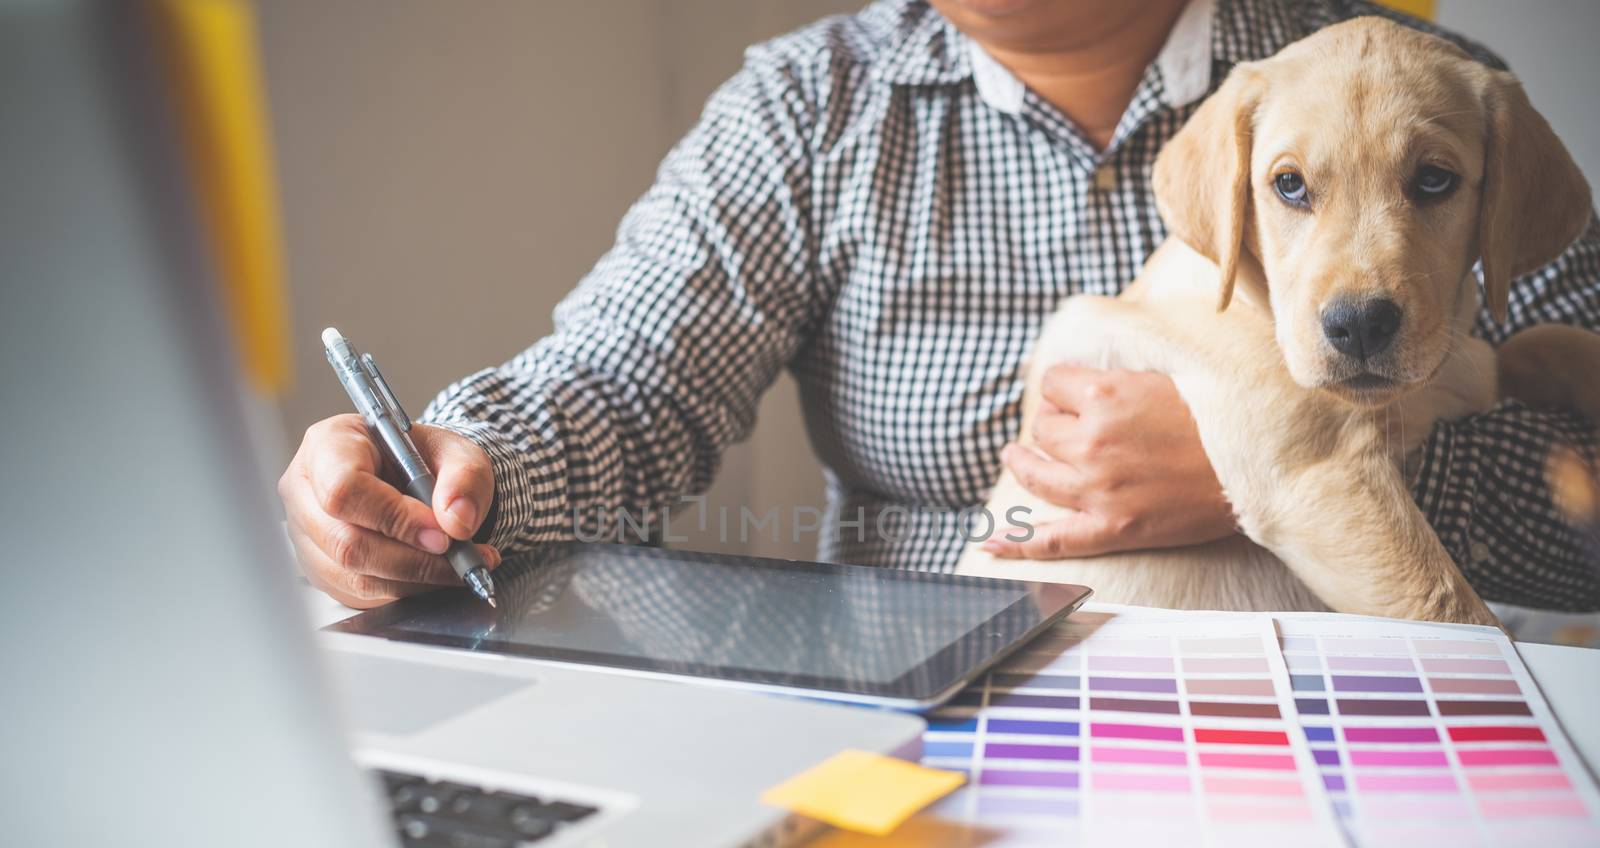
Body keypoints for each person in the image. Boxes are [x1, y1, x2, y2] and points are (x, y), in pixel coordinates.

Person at [279, 0, 1600, 611]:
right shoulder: (812, 107)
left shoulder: (1408, 80)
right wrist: (459, 466)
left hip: (1358, 734)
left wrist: (1280, 467)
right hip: (949, 733)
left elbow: (1590, 486)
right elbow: (627, 384)